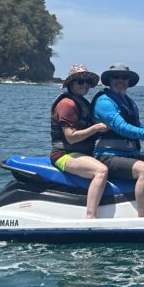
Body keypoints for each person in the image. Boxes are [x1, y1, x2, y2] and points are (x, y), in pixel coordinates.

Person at [91, 62, 144, 217]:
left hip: (128, 154)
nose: (120, 80)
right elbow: (122, 127)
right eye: (116, 77)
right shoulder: (104, 102)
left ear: (129, 81)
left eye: (124, 77)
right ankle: (143, 218)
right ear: (109, 80)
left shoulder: (128, 101)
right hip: (107, 156)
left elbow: (137, 127)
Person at [49, 64, 111, 218]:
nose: (84, 85)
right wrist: (95, 128)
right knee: (101, 171)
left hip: (81, 152)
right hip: (64, 154)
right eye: (80, 82)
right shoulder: (66, 104)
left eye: (87, 82)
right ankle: (91, 217)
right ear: (71, 83)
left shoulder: (81, 102)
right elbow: (70, 136)